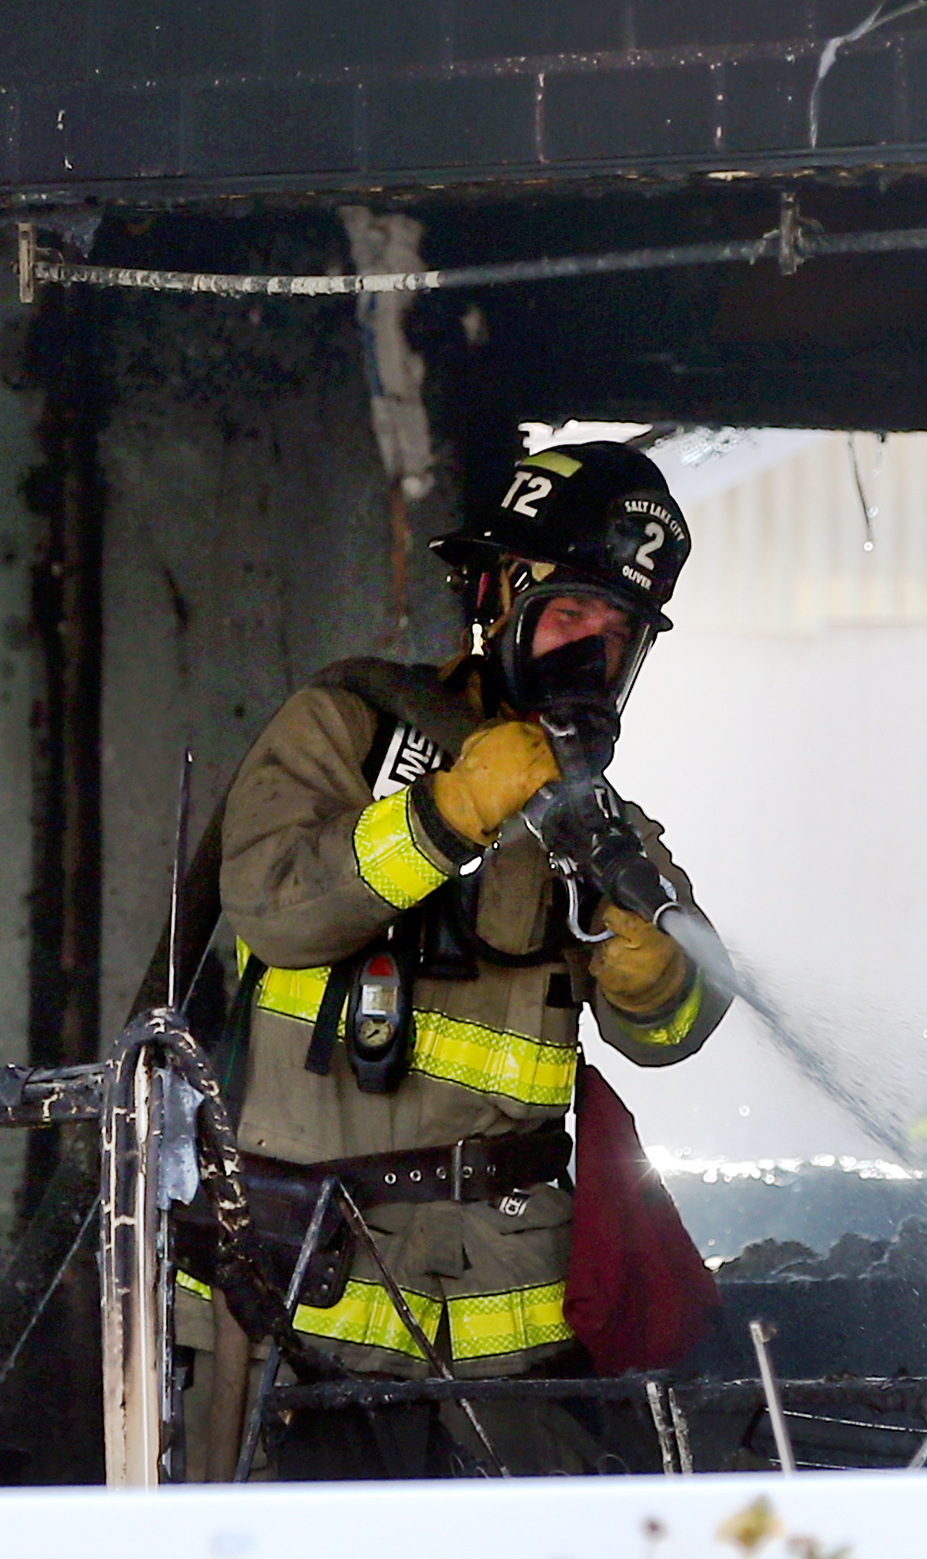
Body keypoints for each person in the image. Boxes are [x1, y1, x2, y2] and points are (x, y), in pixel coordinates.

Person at [172, 440, 729, 1476]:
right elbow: (276, 908)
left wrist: (659, 969)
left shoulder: (602, 825)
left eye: (620, 634)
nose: (590, 653)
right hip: (298, 1293)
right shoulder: (351, 726)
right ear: (496, 597)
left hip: (504, 1321)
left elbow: (675, 1028)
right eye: (570, 615)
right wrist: (447, 812)